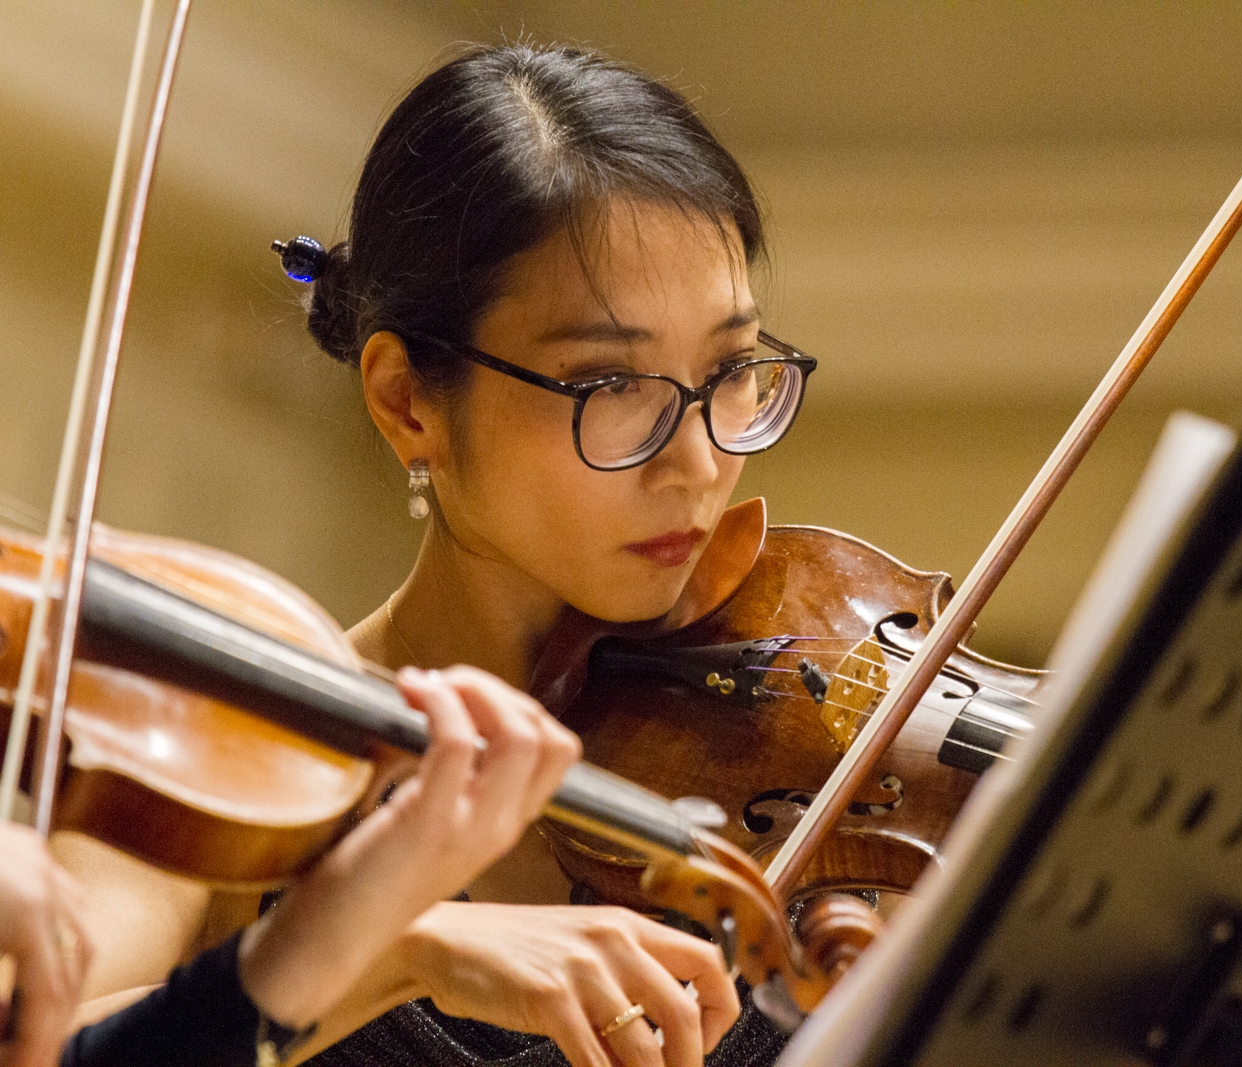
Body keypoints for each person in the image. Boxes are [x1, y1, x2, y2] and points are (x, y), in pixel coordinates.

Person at [57, 40, 801, 1067]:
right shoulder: (233, 733)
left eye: (730, 369)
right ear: (408, 401)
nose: (697, 456)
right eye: (605, 387)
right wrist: (395, 945)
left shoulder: (798, 781)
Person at [2, 665, 584, 1067]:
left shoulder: (660, 746)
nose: (678, 480)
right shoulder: (223, 731)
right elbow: (39, 1042)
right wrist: (387, 948)